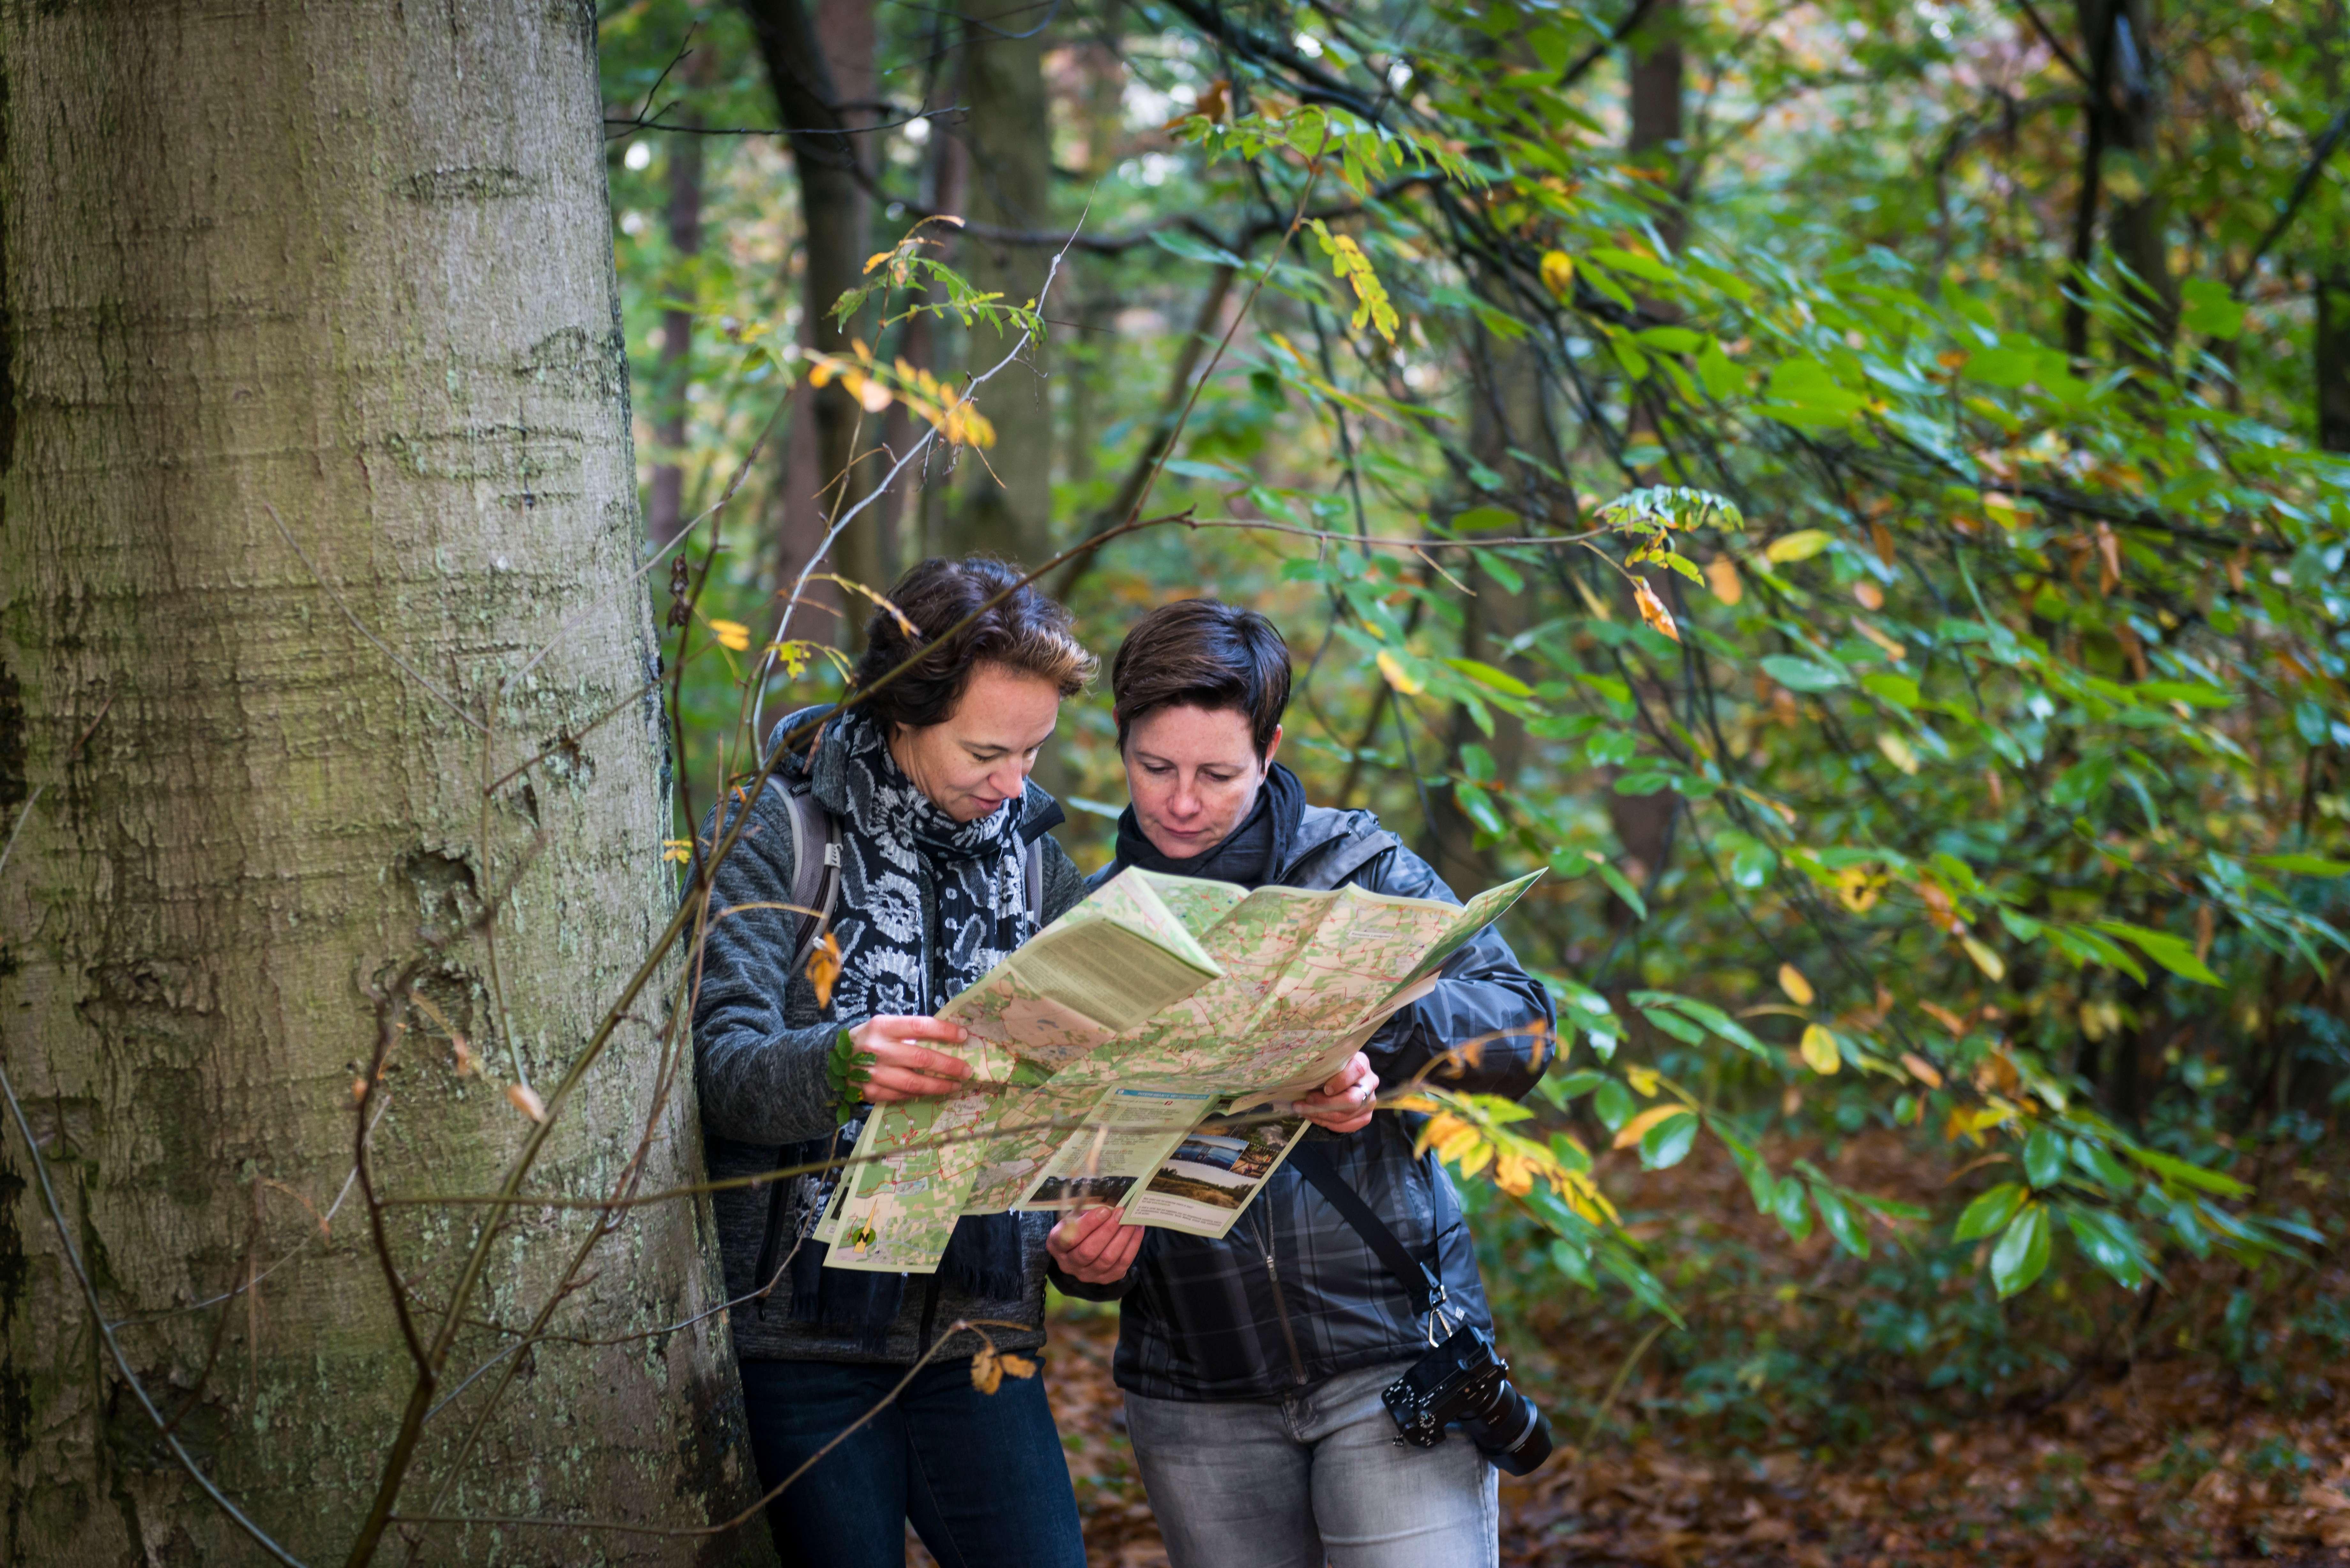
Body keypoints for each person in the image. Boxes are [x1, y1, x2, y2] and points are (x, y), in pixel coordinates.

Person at [1046, 598, 1554, 1568]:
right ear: (1120, 744)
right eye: (1154, 768)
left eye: (1216, 773)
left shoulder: (1362, 868)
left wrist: (1381, 1029)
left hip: (1391, 1366)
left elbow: (1527, 1034)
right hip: (1196, 1389)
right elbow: (1049, 1158)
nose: (1181, 801)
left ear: (1270, 748)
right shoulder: (1091, 925)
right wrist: (1078, 1256)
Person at [692, 557, 1096, 1568]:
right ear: (904, 711)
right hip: (802, 1336)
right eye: (988, 751)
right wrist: (840, 1064)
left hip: (981, 1328)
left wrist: (1099, 1208)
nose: (1015, 784)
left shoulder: (1041, 864)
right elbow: (718, 1066)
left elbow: (1089, 1081)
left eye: (1035, 751)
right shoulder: (776, 832)